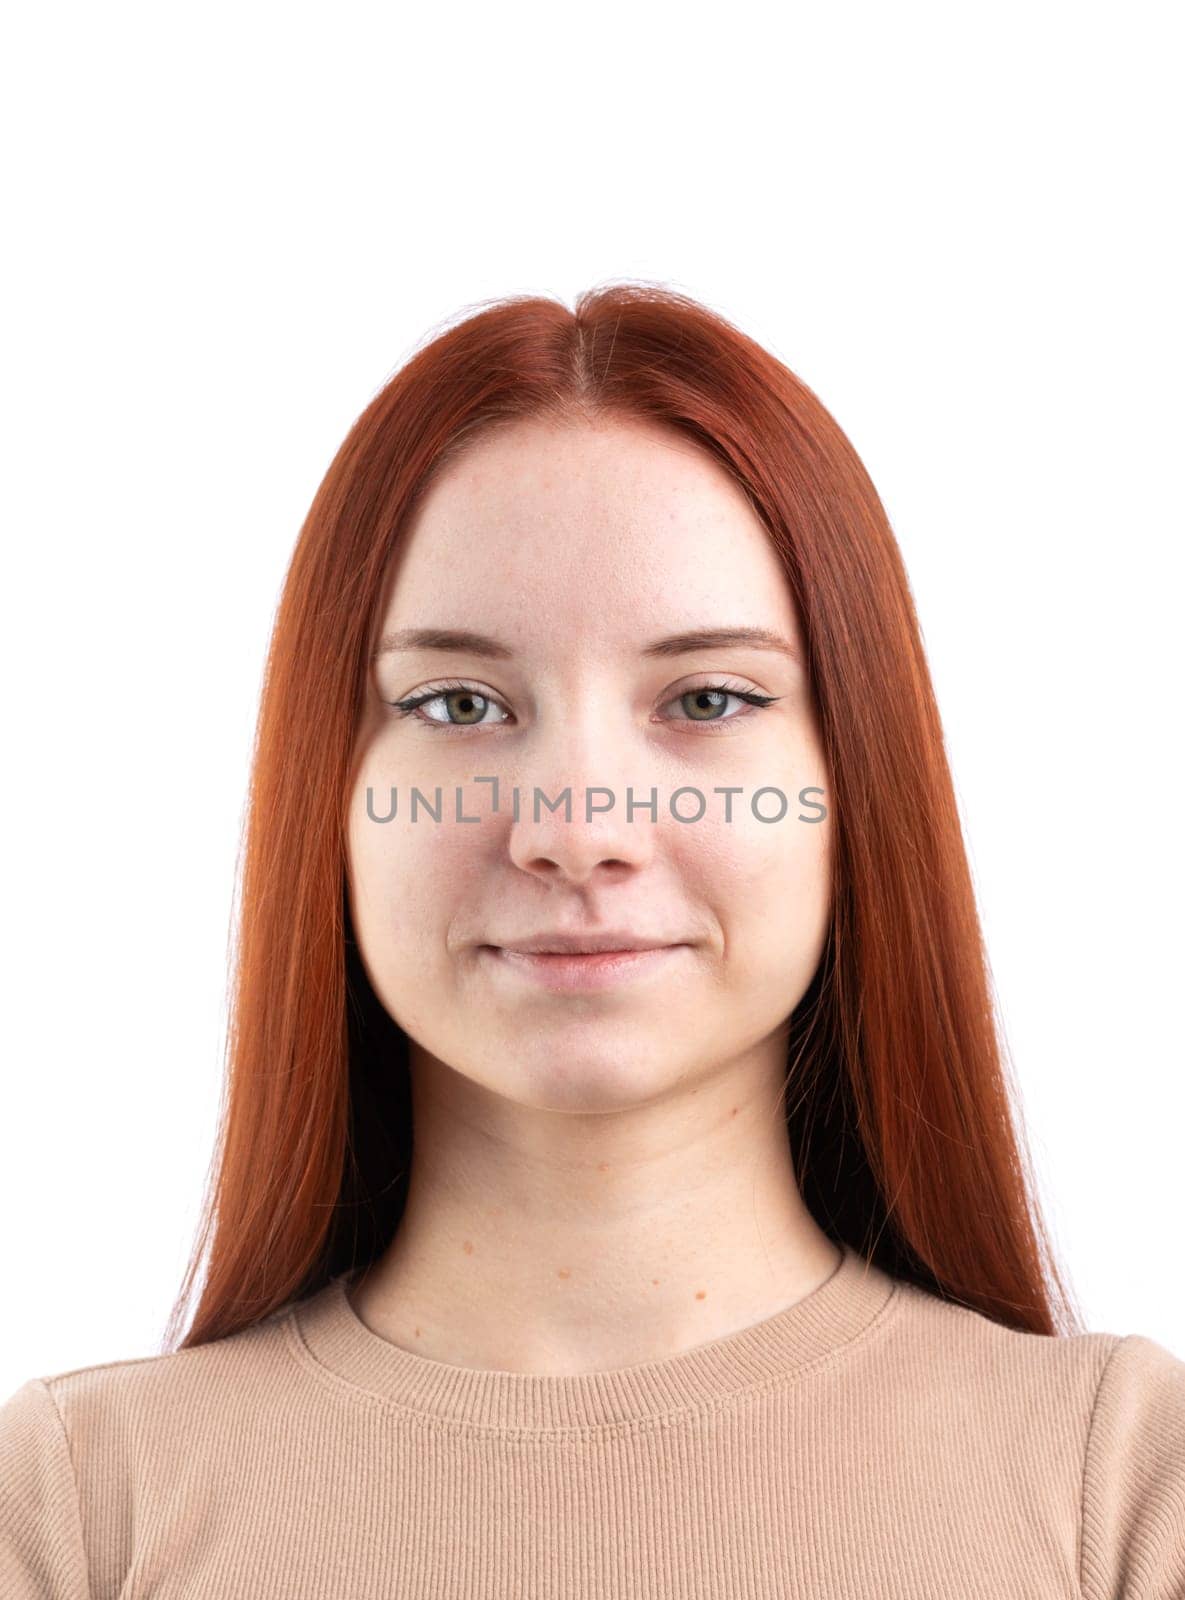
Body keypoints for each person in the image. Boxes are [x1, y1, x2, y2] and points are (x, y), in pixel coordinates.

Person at [3, 283, 1182, 1597]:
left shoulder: (1123, 1486)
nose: (577, 829)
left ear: (857, 784)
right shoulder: (74, 1509)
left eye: (707, 697)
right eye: (457, 702)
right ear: (327, 794)